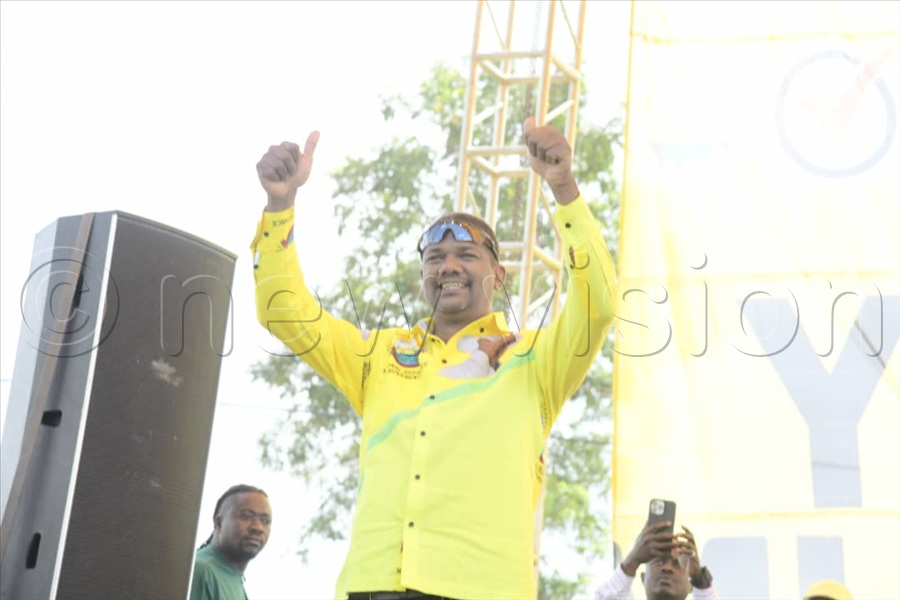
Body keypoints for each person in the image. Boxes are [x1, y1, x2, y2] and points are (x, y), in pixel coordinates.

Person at [251, 117, 618, 600]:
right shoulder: (377, 353)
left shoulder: (534, 360)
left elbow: (600, 302)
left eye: (466, 255)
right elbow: (284, 313)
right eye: (435, 257)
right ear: (423, 275)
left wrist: (564, 189)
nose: (448, 265)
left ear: (499, 276)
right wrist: (280, 206)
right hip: (372, 585)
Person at [594, 521, 719, 600]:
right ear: (643, 578)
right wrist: (632, 561)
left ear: (691, 585)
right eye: (659, 562)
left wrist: (699, 579)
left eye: (677, 564)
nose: (667, 568)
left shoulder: (696, 581)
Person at [189, 484, 272, 600]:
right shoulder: (201, 571)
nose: (257, 527)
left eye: (265, 520)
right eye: (246, 516)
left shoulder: (232, 577)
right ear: (219, 523)